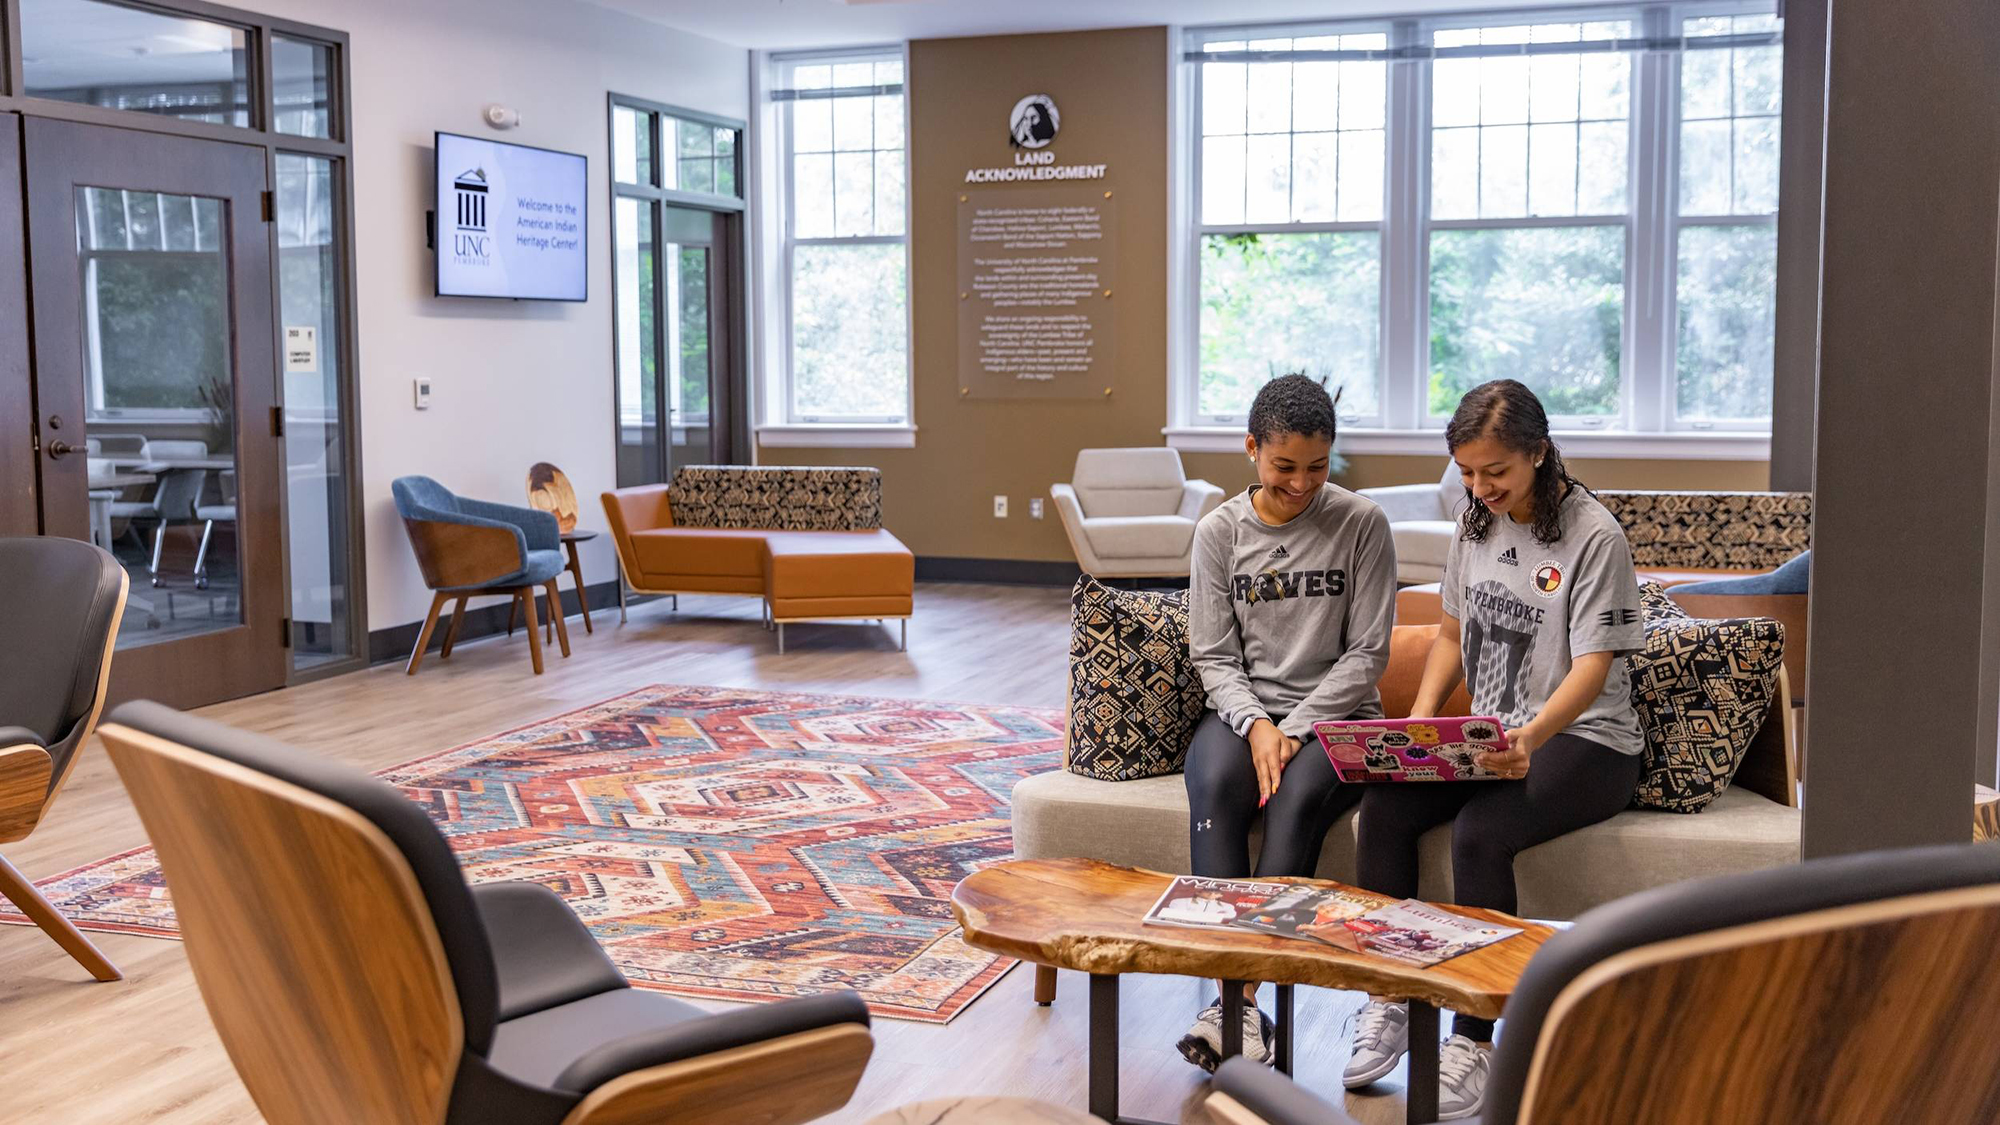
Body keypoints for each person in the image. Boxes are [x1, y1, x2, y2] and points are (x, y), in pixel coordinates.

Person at [1343, 379, 1647, 1121]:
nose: (1480, 488)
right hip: (1494, 733)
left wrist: (1533, 735)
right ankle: (1390, 992)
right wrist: (1416, 725)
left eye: (1496, 473)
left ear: (1539, 454)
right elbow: (1450, 634)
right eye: (1468, 473)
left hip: (1588, 741)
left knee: (1482, 831)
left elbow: (1593, 666)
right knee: (1383, 808)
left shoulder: (1592, 534)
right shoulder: (1474, 523)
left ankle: (1474, 1039)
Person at [1176, 373, 1398, 1072]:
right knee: (1212, 787)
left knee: (1297, 798)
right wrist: (1256, 724)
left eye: (1317, 466)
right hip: (1245, 714)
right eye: (1284, 466)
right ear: (1250, 448)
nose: (1302, 483)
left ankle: (1240, 1002)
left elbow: (1367, 655)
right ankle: (1236, 1007)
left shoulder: (1362, 524)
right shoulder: (1218, 532)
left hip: (1338, 720)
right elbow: (1211, 653)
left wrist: (1295, 727)